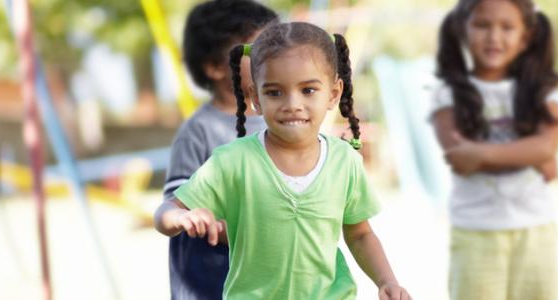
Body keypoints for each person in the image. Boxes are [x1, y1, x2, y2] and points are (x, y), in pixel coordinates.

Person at [155, 22, 411, 299]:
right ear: (255, 97)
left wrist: (386, 281)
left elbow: (360, 234)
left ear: (333, 94)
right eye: (275, 92)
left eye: (308, 90)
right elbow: (164, 213)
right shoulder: (232, 161)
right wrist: (181, 216)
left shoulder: (345, 161)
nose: (292, 104)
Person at [430, 0, 558, 299]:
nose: (494, 37)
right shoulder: (447, 94)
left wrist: (481, 153)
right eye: (482, 25)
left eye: (507, 27)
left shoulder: (542, 90)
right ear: (462, 30)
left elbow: (547, 146)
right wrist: (528, 154)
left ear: (526, 37)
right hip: (475, 233)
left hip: (536, 232)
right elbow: (460, 159)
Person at [161, 1, 278, 299]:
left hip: (272, 276)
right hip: (214, 279)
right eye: (257, 49)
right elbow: (171, 207)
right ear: (214, 67)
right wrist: (187, 218)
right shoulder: (199, 131)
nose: (274, 56)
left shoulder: (285, 120)